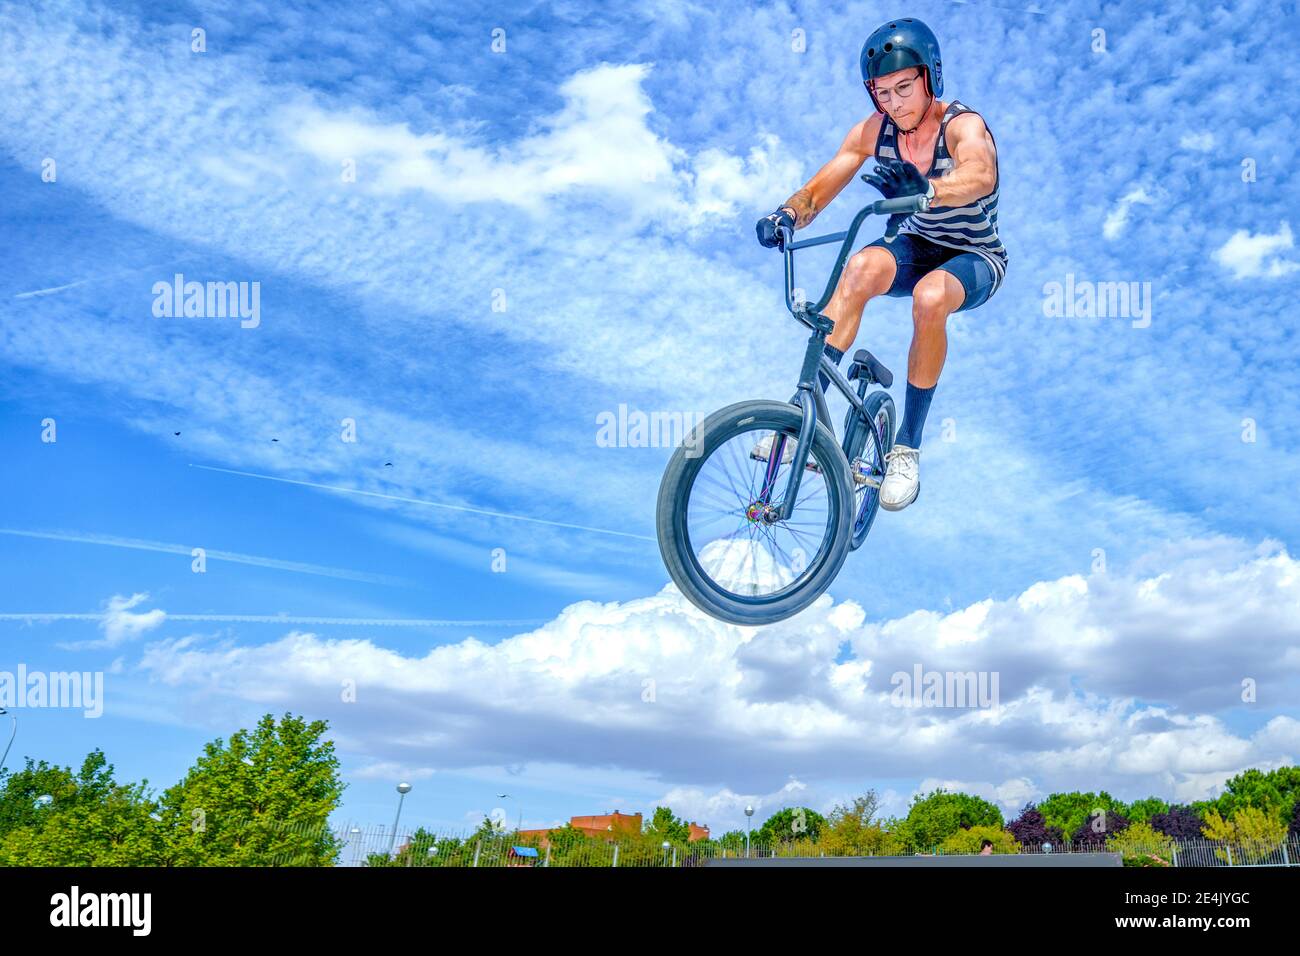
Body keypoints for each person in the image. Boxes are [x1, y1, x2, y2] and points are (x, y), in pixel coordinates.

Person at [754, 17, 1007, 511]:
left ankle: (905, 448)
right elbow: (821, 186)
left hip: (974, 255)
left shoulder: (962, 124)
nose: (894, 103)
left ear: (931, 78)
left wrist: (929, 189)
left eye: (904, 88)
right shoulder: (875, 130)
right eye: (882, 93)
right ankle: (800, 418)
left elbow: (979, 172)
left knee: (930, 296)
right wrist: (786, 214)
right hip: (917, 243)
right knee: (860, 268)